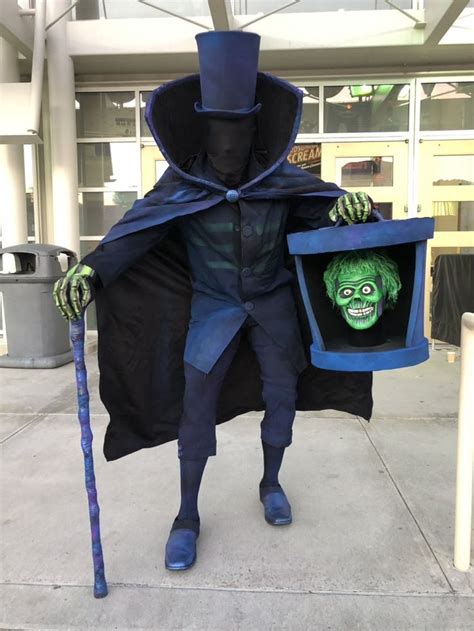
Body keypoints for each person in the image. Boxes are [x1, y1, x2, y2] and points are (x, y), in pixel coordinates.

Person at [53, 31, 374, 571]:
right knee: (193, 411)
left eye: (239, 129)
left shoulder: (282, 179)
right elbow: (134, 234)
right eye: (218, 129)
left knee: (283, 396)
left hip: (272, 306)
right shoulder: (180, 186)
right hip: (212, 308)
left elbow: (326, 209)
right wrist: (90, 269)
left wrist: (355, 208)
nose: (228, 144)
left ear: (255, 128)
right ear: (203, 128)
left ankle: (271, 481)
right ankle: (186, 515)